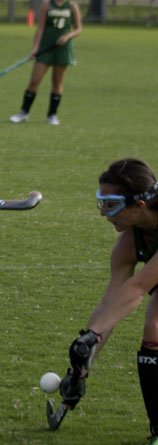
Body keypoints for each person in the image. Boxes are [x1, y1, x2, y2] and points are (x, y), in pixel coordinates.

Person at [57, 159, 158, 441]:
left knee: (154, 326)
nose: (105, 213)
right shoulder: (128, 242)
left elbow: (138, 288)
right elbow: (110, 303)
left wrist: (92, 336)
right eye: (102, 203)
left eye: (111, 205)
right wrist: (82, 365)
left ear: (139, 205)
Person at [9, 0, 82, 126]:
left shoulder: (72, 6)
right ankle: (23, 113)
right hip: (46, 47)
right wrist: (35, 48)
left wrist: (67, 36)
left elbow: (78, 29)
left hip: (62, 49)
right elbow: (40, 29)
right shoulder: (46, 5)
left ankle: (52, 115)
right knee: (34, 81)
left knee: (57, 82)